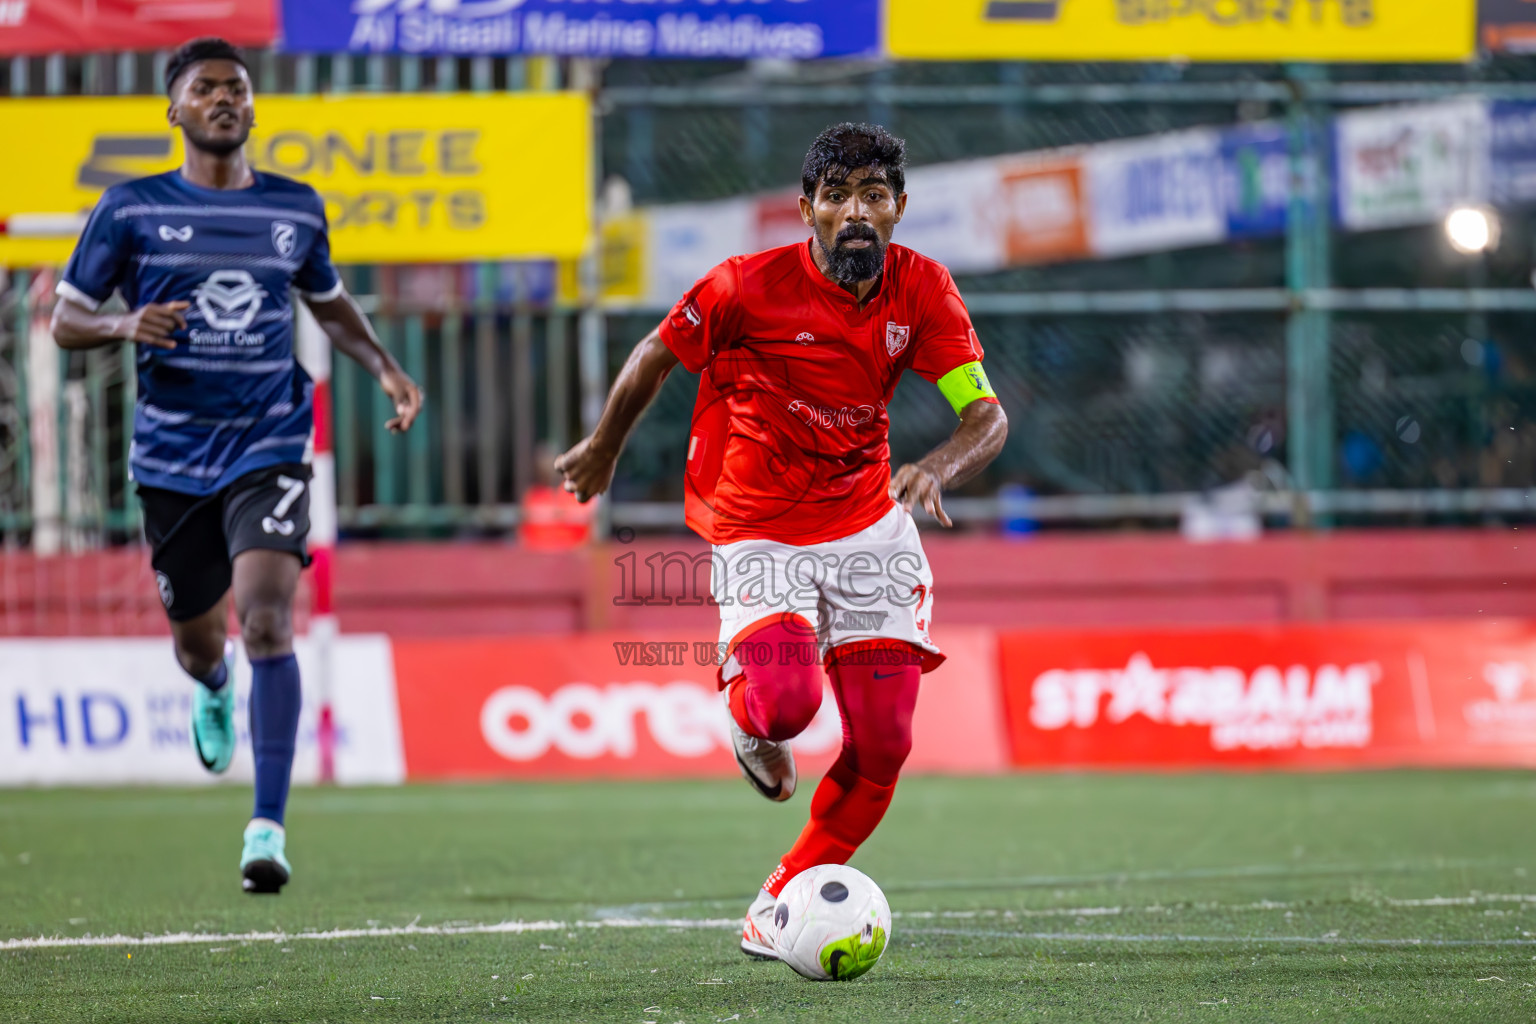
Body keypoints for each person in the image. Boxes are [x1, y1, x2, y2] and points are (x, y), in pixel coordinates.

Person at [555, 122, 1007, 957]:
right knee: (789, 704)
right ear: (807, 210)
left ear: (899, 209)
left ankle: (777, 903)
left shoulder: (924, 290)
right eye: (837, 196)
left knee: (885, 742)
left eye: (875, 195)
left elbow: (985, 415)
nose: (857, 211)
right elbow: (657, 352)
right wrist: (605, 448)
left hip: (870, 524)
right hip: (760, 527)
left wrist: (939, 466)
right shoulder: (744, 287)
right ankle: (750, 724)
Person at [51, 37, 423, 894]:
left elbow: (331, 307)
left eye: (237, 88)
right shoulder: (130, 210)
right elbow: (68, 319)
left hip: (270, 442)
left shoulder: (294, 210)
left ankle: (267, 826)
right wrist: (123, 325)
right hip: (172, 456)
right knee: (201, 641)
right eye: (205, 89)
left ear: (253, 108)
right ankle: (211, 682)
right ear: (174, 110)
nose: (224, 99)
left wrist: (388, 371)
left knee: (266, 622)